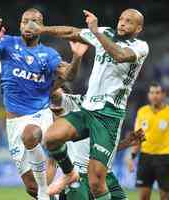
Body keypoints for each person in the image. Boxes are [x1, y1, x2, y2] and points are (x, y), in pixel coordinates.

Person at [29, 9, 149, 200]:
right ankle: (69, 174)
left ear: (139, 28)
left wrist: (95, 32)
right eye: (121, 19)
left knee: (96, 183)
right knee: (51, 138)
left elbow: (119, 55)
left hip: (109, 115)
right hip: (87, 109)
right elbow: (72, 32)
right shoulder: (105, 33)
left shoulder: (141, 46)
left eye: (129, 21)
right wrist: (43, 29)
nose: (122, 23)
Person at [0, 8, 83, 200]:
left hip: (39, 114)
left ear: (42, 26)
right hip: (13, 121)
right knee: (31, 188)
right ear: (20, 24)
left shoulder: (49, 55)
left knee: (30, 135)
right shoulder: (8, 44)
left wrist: (77, 57)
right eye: (25, 21)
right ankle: (48, 191)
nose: (29, 25)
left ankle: (47, 184)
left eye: (34, 21)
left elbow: (69, 75)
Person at [48, 85, 145, 200]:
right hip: (80, 175)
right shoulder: (74, 104)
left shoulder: (111, 112)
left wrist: (126, 143)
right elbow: (55, 94)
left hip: (104, 174)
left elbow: (102, 149)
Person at [127, 83, 169, 200]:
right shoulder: (142, 112)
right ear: (148, 95)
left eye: (157, 93)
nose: (154, 96)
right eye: (152, 93)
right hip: (145, 157)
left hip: (165, 158)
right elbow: (138, 138)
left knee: (165, 197)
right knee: (143, 197)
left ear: (163, 95)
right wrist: (132, 157)